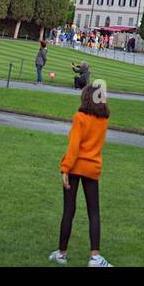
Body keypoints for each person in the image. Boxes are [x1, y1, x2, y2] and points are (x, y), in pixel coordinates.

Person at [50, 82, 112, 267]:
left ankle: (62, 253)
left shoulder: (80, 118)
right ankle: (95, 256)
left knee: (69, 210)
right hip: (92, 168)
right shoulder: (103, 120)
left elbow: (74, 146)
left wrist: (65, 168)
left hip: (76, 167)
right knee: (94, 212)